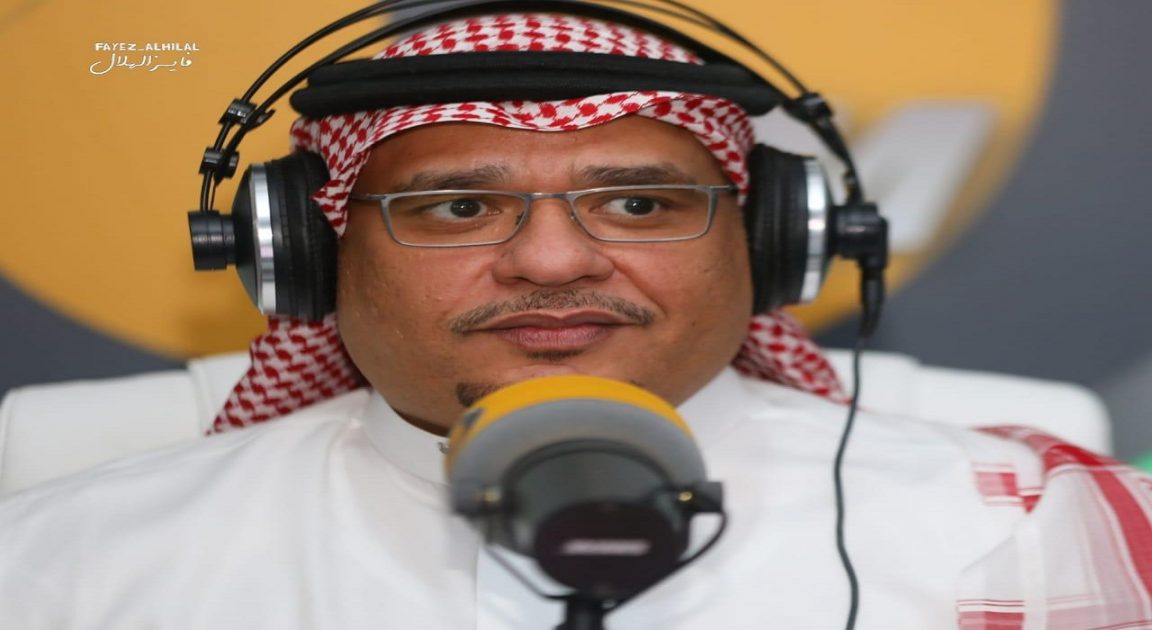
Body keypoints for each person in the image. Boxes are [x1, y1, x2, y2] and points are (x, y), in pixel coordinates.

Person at [2, 7, 1151, 630]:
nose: (551, 261)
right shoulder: (60, 567)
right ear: (306, 254)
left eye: (641, 203)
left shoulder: (1037, 531)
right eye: (456, 207)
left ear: (768, 243)